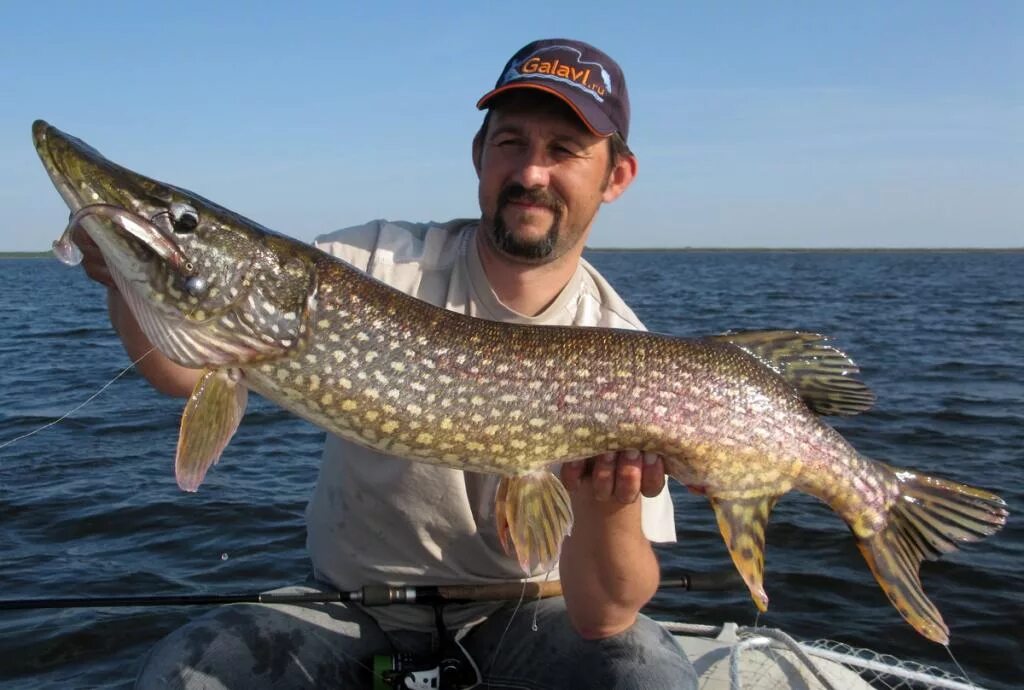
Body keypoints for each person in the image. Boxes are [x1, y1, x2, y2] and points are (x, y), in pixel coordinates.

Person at [74, 38, 698, 689]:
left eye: (564, 150)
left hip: (539, 611)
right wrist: (129, 278)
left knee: (647, 676)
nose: (531, 173)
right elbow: (188, 374)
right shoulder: (372, 264)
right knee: (186, 675)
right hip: (349, 608)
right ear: (480, 154)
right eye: (511, 142)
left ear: (616, 176)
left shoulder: (626, 352)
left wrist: (611, 503)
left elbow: (604, 616)